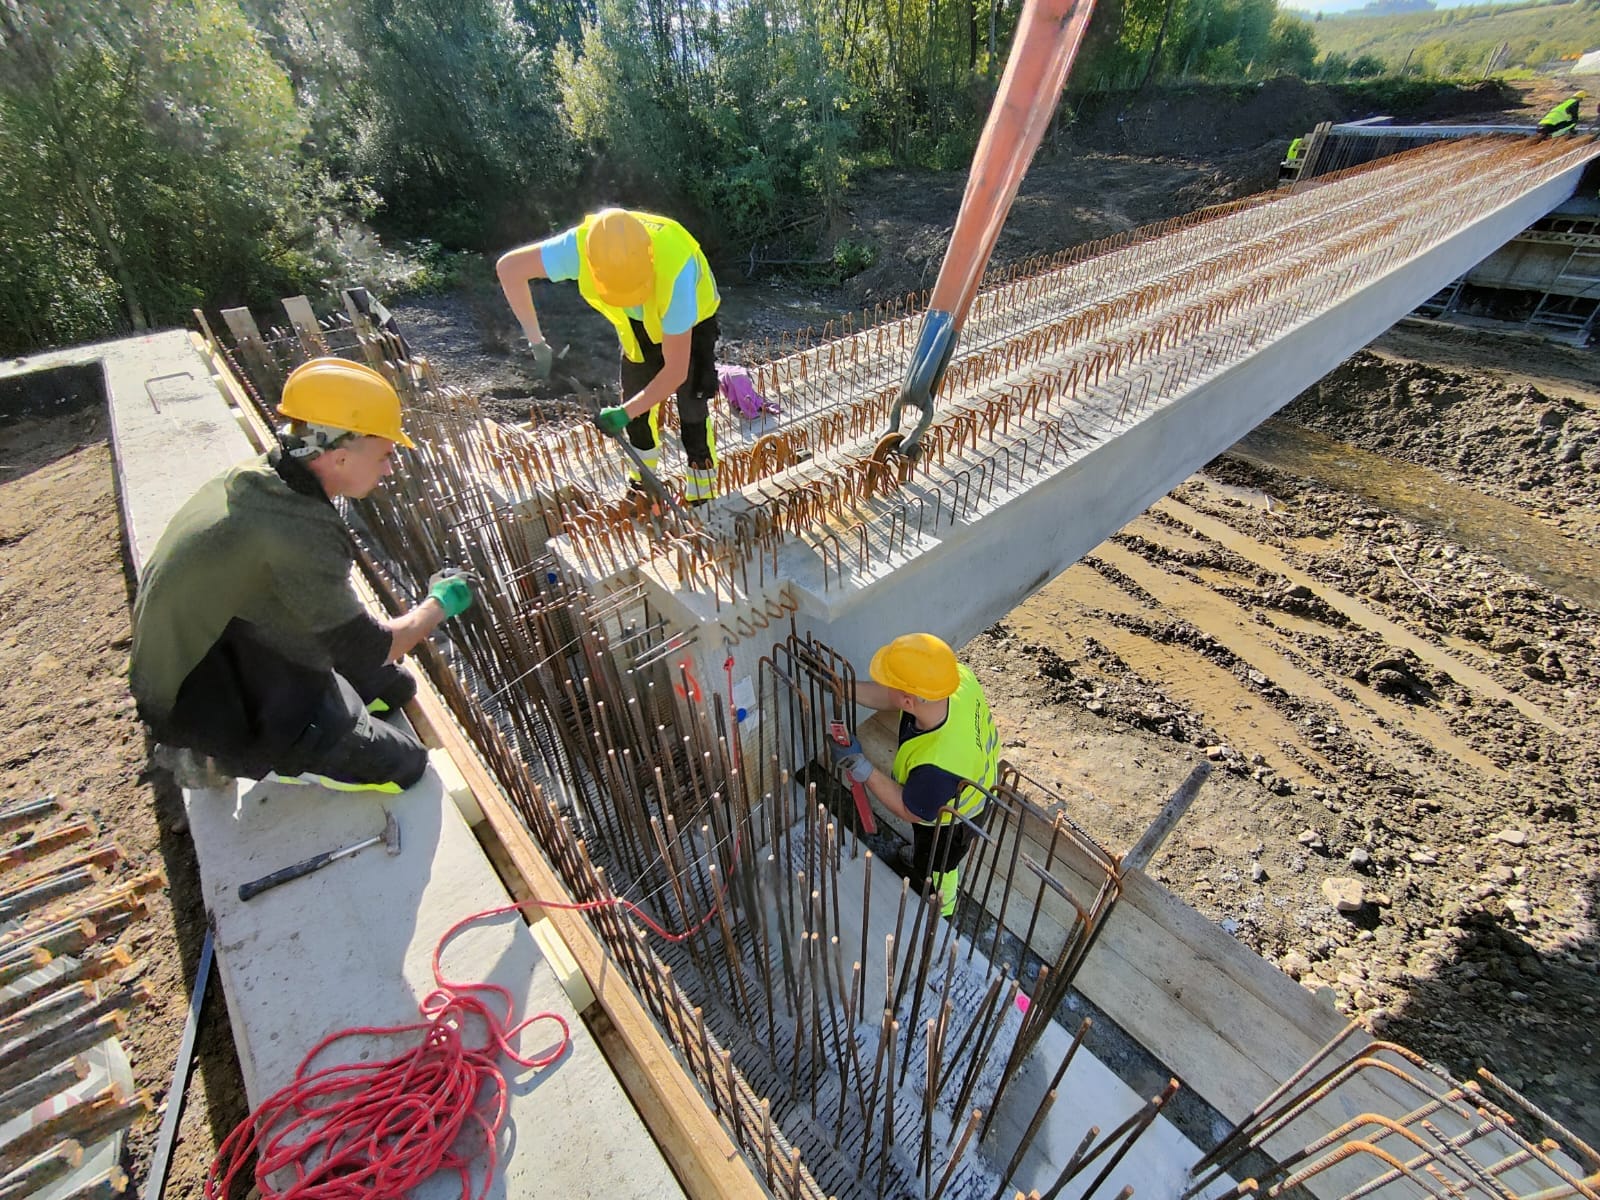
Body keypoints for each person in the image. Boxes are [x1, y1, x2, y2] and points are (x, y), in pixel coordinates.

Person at [130, 357, 476, 794]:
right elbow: (370, 649)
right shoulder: (297, 529)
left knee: (395, 687)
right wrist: (439, 603)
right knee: (405, 766)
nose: (390, 468)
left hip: (234, 648)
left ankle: (292, 724)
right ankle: (226, 753)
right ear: (341, 456)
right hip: (204, 697)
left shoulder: (268, 477)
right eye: (386, 454)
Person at [496, 208, 723, 505]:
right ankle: (643, 484)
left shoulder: (676, 270)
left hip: (692, 323)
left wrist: (622, 412)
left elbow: (676, 371)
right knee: (637, 409)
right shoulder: (578, 248)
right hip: (633, 327)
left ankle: (703, 497)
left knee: (692, 410)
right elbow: (509, 269)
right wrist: (536, 341)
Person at [830, 633, 1000, 917]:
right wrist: (844, 688)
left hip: (958, 817)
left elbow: (910, 809)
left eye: (891, 684)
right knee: (927, 846)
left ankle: (942, 909)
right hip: (977, 773)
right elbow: (892, 696)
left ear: (909, 701)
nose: (887, 687)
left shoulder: (938, 766)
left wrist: (860, 766)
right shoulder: (954, 680)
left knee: (939, 862)